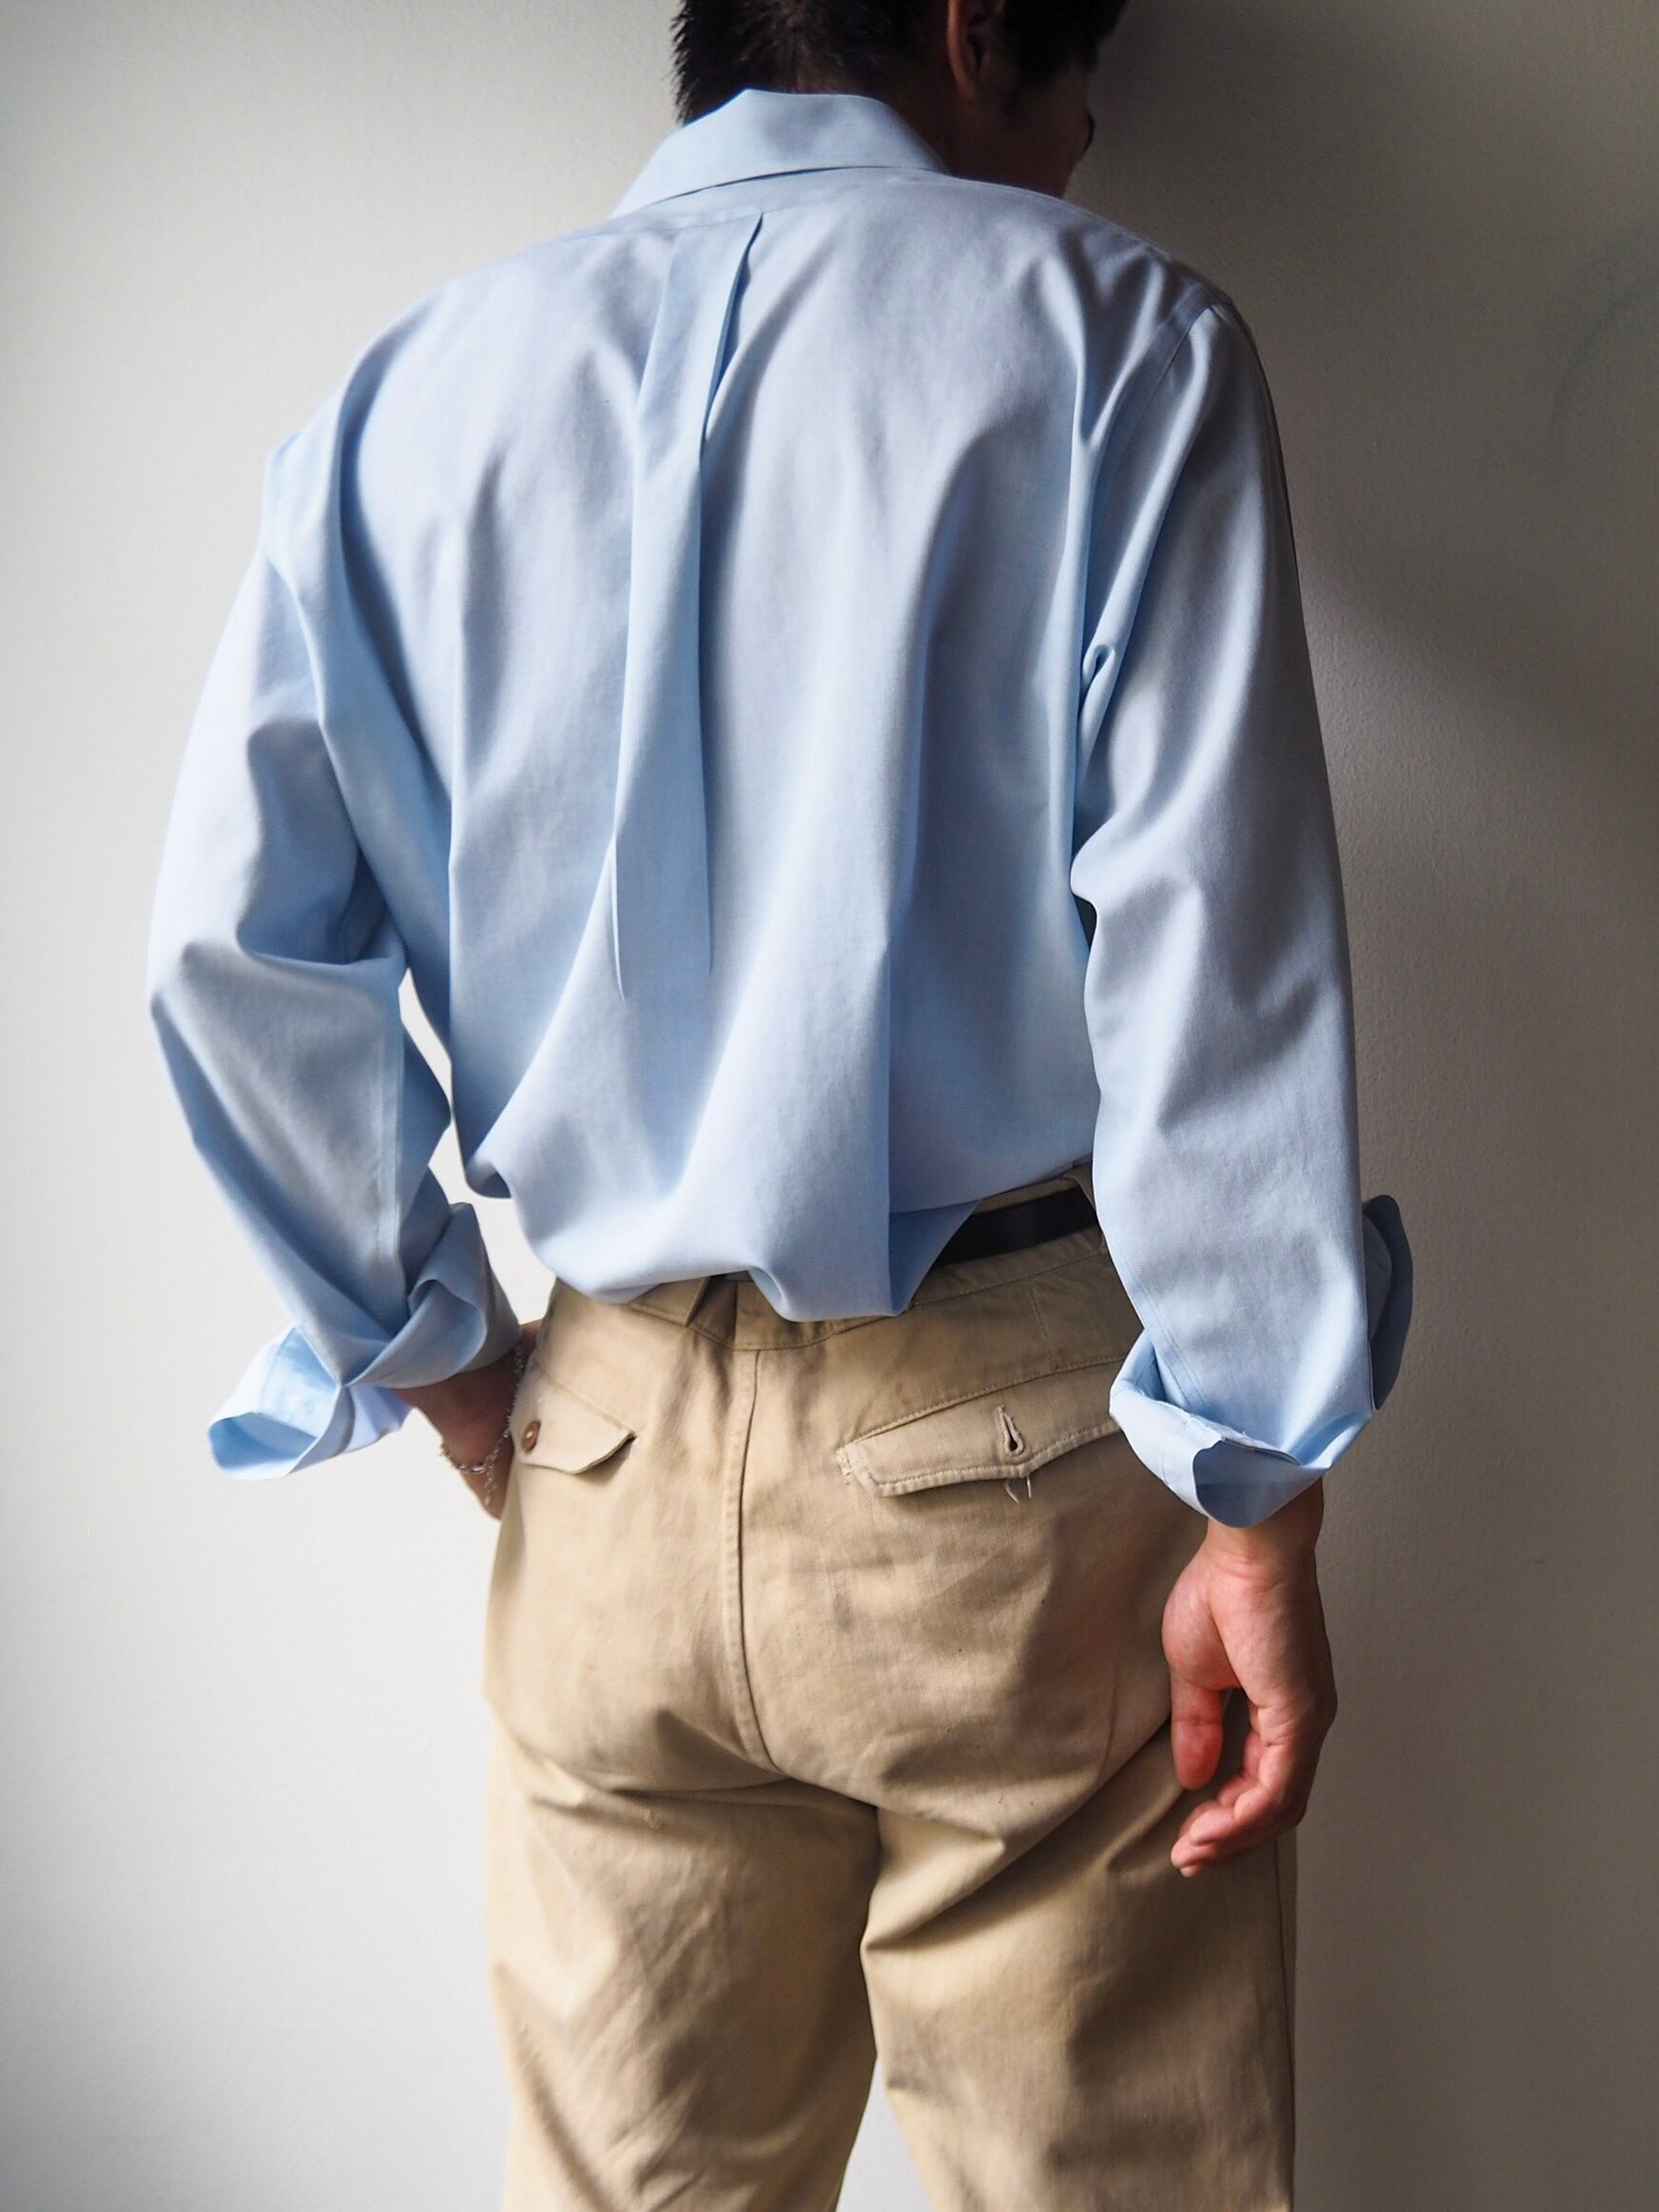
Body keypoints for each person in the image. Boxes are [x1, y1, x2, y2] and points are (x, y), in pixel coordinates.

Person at [146, 1, 1414, 2204]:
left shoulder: (408, 396)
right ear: (973, 22)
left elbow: (232, 959)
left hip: (601, 1457)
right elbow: (1213, 964)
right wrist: (1254, 1499)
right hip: (1021, 1481)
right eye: (1084, 86)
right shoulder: (1115, 339)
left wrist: (450, 1368)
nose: (1083, 145)